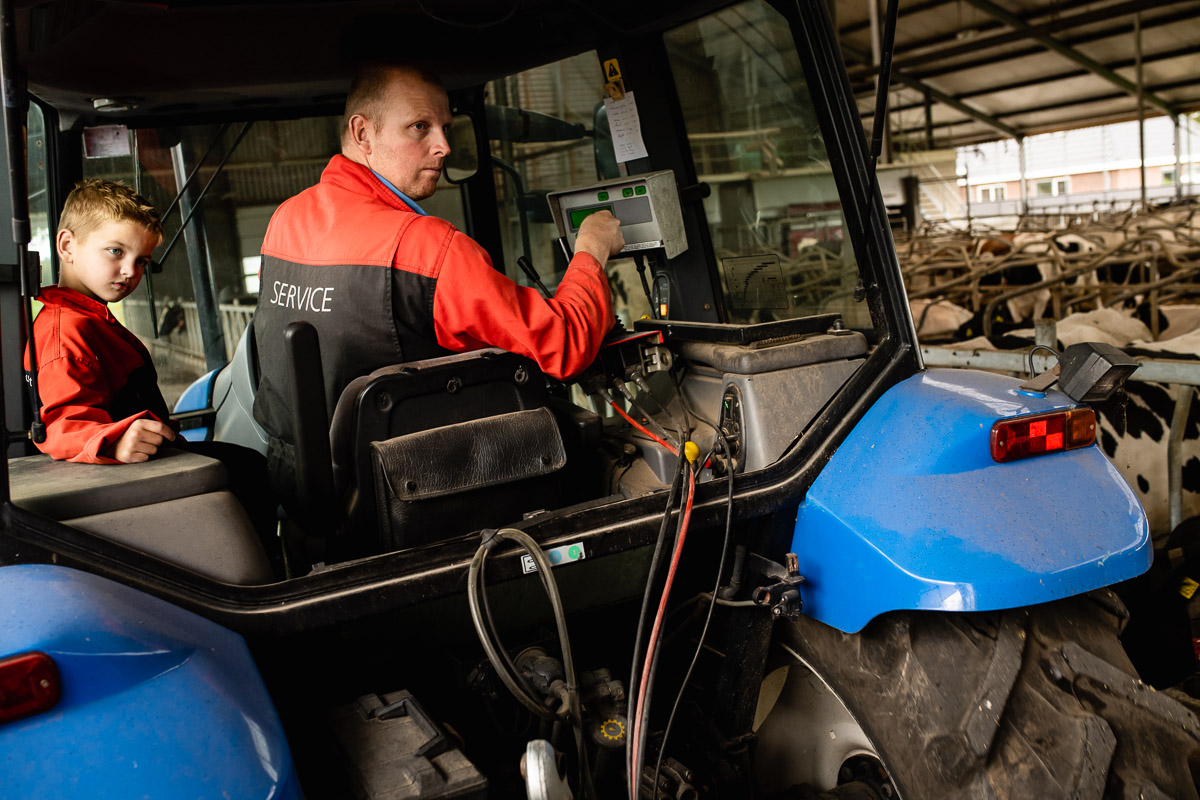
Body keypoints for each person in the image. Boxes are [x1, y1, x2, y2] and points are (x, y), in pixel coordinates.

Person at [252, 61, 625, 496]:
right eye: (419, 127)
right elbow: (566, 344)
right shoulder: (427, 248)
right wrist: (592, 249)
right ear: (362, 134)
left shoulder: (285, 218)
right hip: (411, 498)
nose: (444, 146)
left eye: (445, 127)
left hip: (300, 487)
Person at [27, 179, 281, 568]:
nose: (130, 271)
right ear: (67, 246)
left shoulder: (90, 318)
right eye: (115, 251)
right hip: (121, 474)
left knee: (245, 463)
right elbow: (62, 423)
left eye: (142, 260)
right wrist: (111, 441)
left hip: (146, 452)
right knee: (247, 469)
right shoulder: (67, 332)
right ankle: (265, 584)